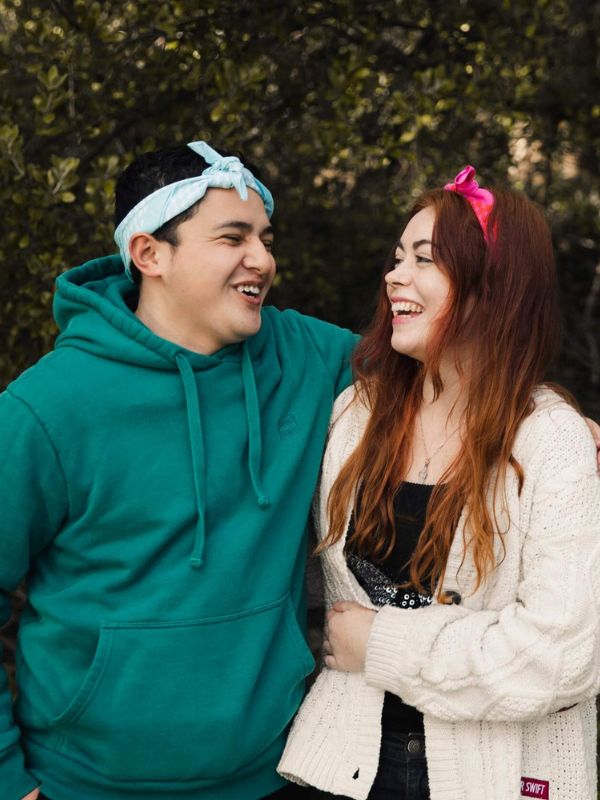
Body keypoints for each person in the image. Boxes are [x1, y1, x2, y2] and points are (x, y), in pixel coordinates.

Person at [0, 141, 358, 800]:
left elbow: (444, 373)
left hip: (272, 777)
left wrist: (547, 417)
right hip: (83, 785)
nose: (263, 259)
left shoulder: (305, 357)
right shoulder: (47, 408)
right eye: (232, 237)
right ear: (149, 254)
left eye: (265, 238)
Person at [278, 167, 600, 800]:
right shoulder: (355, 417)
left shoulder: (549, 441)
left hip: (498, 775)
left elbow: (562, 656)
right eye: (397, 257)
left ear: (492, 288)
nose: (395, 275)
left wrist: (382, 644)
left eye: (423, 260)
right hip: (343, 762)